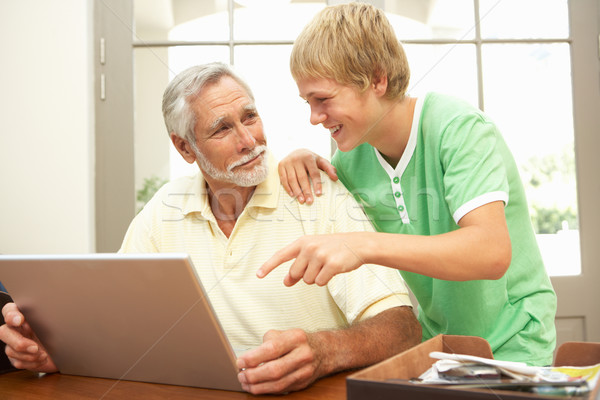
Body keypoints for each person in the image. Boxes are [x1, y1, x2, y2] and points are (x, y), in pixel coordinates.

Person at [0, 62, 421, 394]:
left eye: (250, 117)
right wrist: (56, 350)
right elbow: (116, 329)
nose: (249, 140)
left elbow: (402, 329)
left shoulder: (316, 194)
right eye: (223, 128)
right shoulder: (165, 208)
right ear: (184, 147)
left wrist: (323, 351)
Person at [258, 2, 557, 366]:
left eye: (323, 99)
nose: (313, 117)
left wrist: (361, 245)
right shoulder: (349, 162)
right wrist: (300, 160)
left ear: (377, 79)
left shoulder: (457, 127)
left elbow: (491, 252)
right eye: (307, 102)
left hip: (515, 345)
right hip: (439, 349)